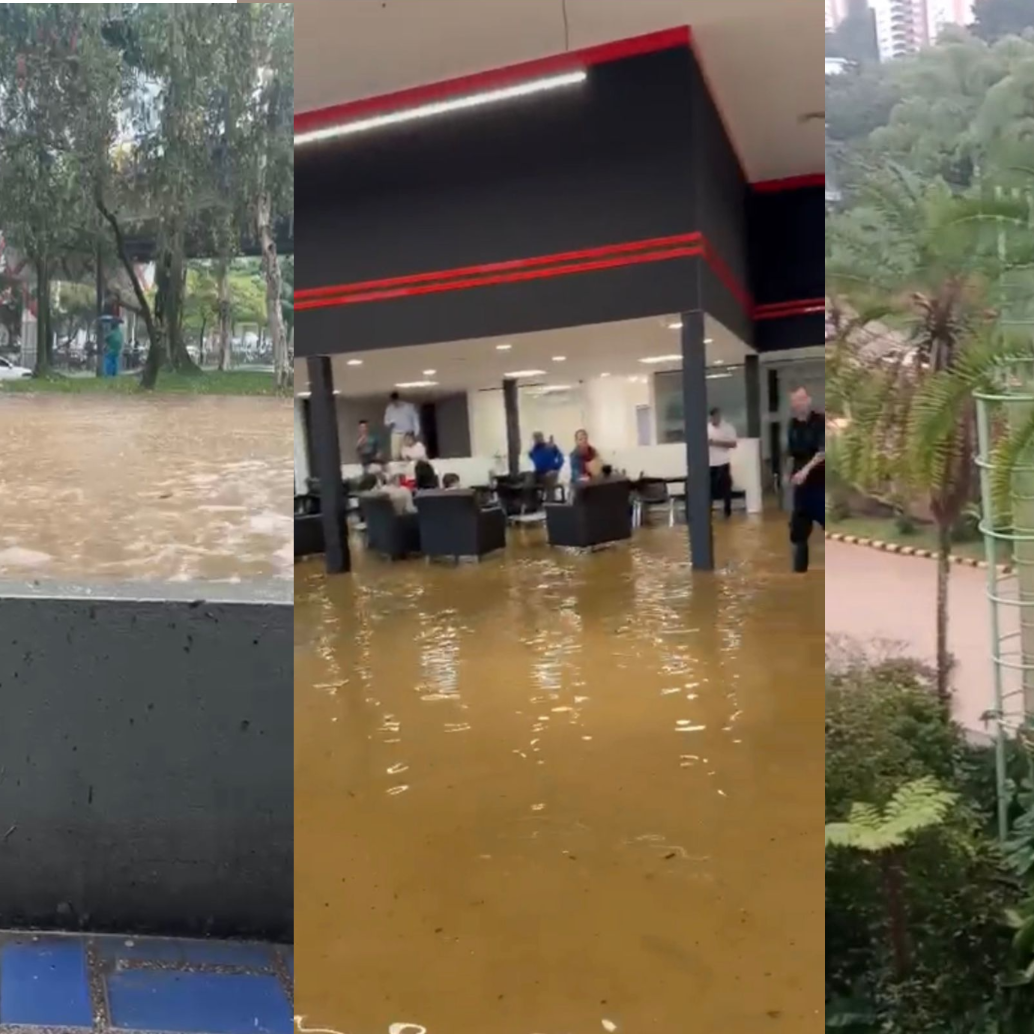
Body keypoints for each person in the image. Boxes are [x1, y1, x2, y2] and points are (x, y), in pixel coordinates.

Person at [787, 387, 825, 573]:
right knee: (798, 533)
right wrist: (791, 474)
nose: (799, 403)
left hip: (820, 483)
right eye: (795, 400)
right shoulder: (793, 424)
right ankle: (799, 577)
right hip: (802, 488)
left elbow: (823, 452)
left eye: (802, 399)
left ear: (809, 400)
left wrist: (805, 471)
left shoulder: (819, 421)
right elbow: (792, 454)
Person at [707, 407, 738, 519]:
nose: (714, 419)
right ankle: (708, 513)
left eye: (716, 416)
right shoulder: (706, 428)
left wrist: (715, 442)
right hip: (710, 463)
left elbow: (733, 444)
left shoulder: (728, 428)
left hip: (723, 462)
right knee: (708, 490)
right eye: (712, 417)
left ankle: (727, 513)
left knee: (726, 489)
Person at [384, 392, 420, 460]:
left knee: (407, 453)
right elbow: (386, 422)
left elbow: (415, 419)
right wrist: (389, 424)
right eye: (393, 402)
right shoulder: (389, 408)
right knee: (395, 455)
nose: (395, 403)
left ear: (398, 399)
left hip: (407, 433)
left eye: (396, 401)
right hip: (396, 433)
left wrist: (416, 432)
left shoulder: (409, 407)